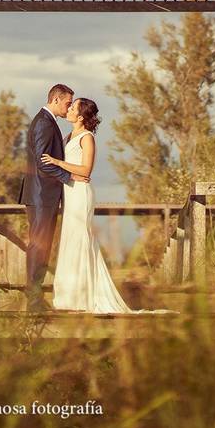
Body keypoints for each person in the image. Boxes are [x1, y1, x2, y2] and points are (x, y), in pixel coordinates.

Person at [40, 97, 135, 313]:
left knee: (80, 239)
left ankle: (83, 297)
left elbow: (85, 170)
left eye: (73, 107)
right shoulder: (67, 136)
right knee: (70, 240)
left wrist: (57, 162)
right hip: (69, 193)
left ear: (81, 116)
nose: (69, 108)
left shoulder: (87, 138)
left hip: (80, 194)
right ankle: (68, 296)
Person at [17, 84, 90, 313]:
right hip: (41, 196)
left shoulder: (48, 122)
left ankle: (37, 299)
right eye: (68, 103)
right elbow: (42, 162)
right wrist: (70, 178)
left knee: (43, 246)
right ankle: (33, 301)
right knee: (38, 246)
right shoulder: (43, 123)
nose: (69, 107)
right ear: (57, 100)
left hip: (45, 196)